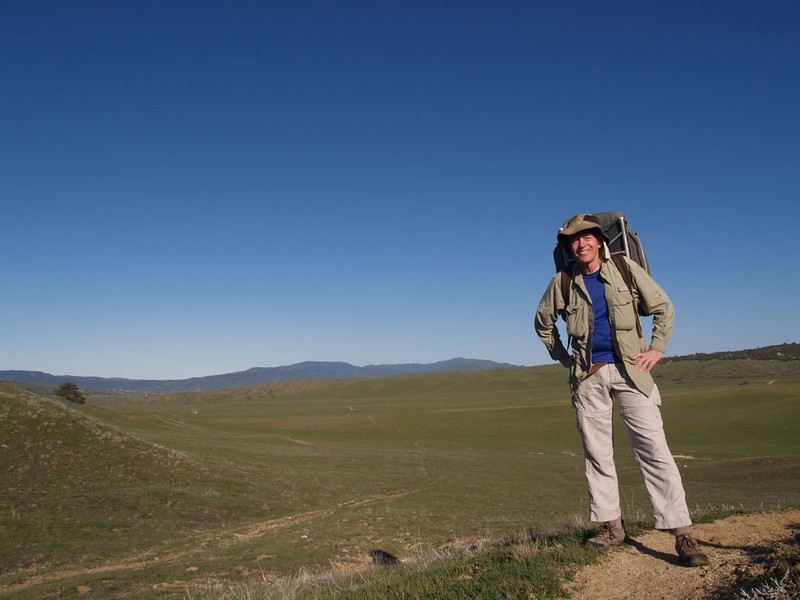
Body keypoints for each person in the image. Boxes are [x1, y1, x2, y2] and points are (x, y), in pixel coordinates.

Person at [534, 213, 709, 567]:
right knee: (598, 455)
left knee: (654, 450)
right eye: (574, 240)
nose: (581, 243)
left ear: (600, 241)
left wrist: (657, 348)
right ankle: (612, 528)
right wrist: (562, 356)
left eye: (587, 237)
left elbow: (663, 307)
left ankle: (682, 533)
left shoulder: (624, 268)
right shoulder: (563, 281)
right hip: (588, 377)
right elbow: (543, 322)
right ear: (569, 247)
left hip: (632, 372)